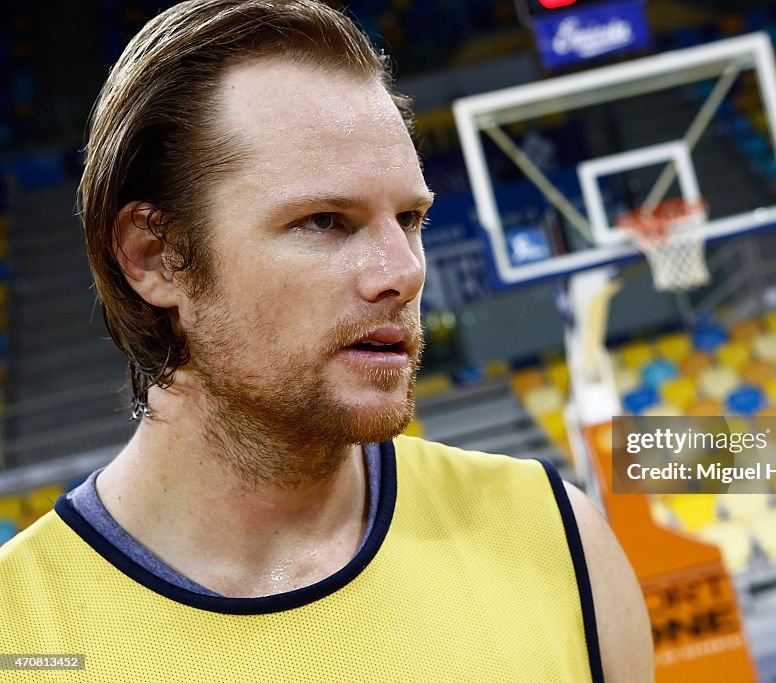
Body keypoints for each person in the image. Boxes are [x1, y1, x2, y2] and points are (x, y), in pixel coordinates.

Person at [0, 1, 653, 680]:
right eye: (324, 221)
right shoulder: (18, 634)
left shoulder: (556, 537)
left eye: (409, 217)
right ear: (156, 256)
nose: (403, 271)